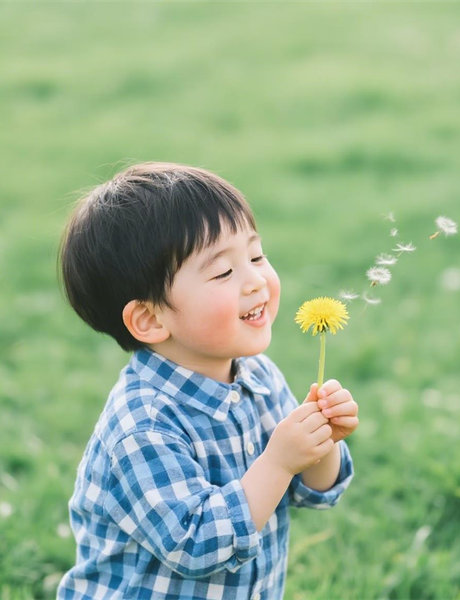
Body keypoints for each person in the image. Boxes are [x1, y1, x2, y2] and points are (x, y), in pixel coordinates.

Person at [56, 162, 358, 599]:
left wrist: (320, 444)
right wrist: (277, 461)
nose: (255, 280)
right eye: (223, 272)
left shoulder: (258, 377)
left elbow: (308, 493)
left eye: (256, 256)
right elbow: (197, 546)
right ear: (150, 318)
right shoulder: (142, 427)